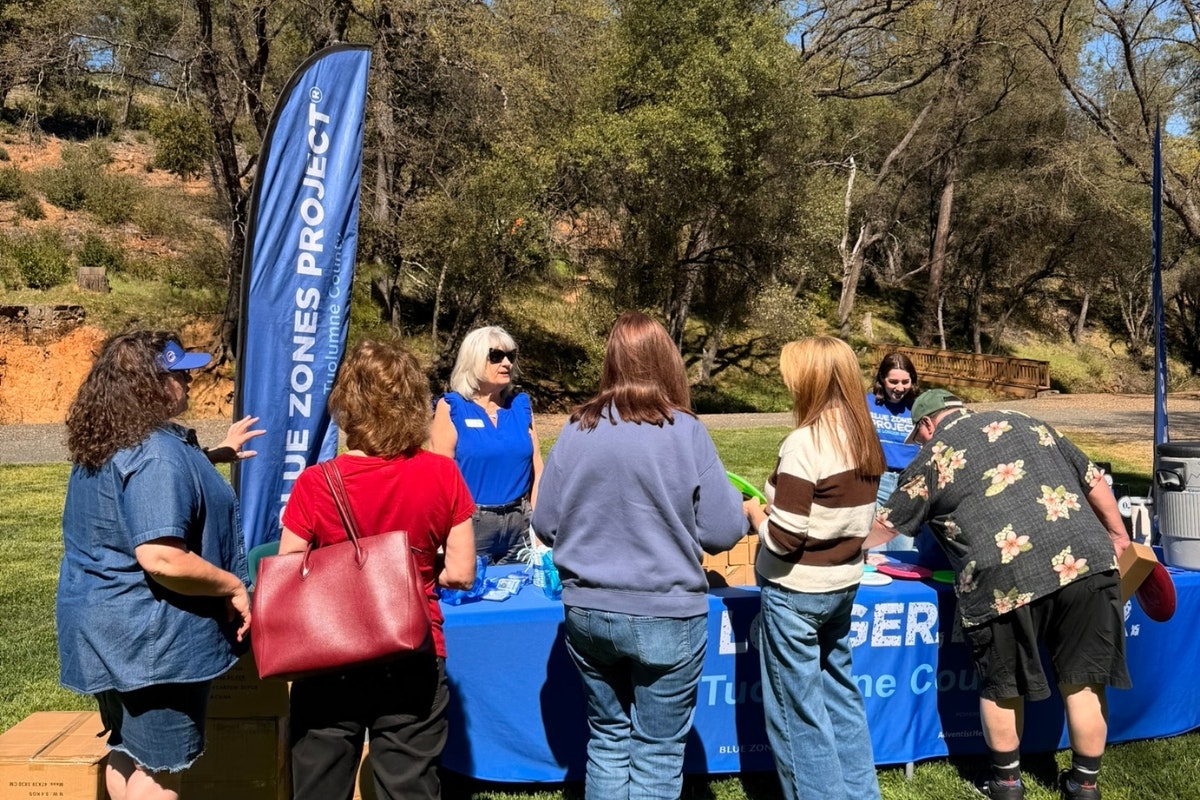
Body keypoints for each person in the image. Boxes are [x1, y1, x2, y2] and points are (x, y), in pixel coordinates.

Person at [866, 389, 1131, 800]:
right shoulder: (1027, 420)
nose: (921, 445)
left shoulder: (935, 454)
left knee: (1002, 685)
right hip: (1087, 561)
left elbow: (888, 524)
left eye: (919, 438)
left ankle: (1007, 784)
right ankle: (1084, 785)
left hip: (1004, 576)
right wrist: (1117, 534)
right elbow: (1094, 479)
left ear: (927, 424)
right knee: (1085, 682)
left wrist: (840, 549)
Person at [531, 310, 747, 800]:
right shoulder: (685, 431)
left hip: (589, 610)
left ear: (611, 362)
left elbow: (545, 524)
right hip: (667, 611)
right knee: (657, 751)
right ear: (667, 362)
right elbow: (724, 529)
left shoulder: (576, 428)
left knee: (607, 740)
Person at [56, 331, 252, 800]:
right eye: (177, 370)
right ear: (149, 384)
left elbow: (141, 492)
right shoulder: (157, 453)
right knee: (160, 774)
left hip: (107, 634)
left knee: (127, 749)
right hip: (153, 646)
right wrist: (231, 586)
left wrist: (210, 457)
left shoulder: (107, 442)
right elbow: (161, 558)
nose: (188, 377)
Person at [277, 339, 476, 800]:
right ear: (413, 403)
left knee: (319, 786)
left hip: (329, 655)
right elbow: (462, 573)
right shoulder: (443, 475)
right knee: (408, 787)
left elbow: (288, 569)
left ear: (347, 404)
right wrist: (423, 574)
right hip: (414, 647)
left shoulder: (316, 482)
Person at [743, 336, 884, 800]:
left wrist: (757, 515)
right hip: (842, 584)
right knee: (841, 697)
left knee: (797, 715)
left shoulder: (805, 442)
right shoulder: (862, 435)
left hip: (796, 591)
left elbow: (784, 540)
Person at [431, 325, 543, 563]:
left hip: (520, 524)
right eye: (496, 356)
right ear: (472, 360)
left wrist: (539, 526)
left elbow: (538, 469)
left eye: (510, 356)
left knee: (523, 597)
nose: (507, 364)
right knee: (469, 595)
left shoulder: (521, 406)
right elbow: (439, 478)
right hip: (471, 524)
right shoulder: (452, 408)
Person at [867, 352, 920, 552]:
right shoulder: (867, 404)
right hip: (876, 481)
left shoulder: (918, 407)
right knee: (873, 550)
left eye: (905, 382)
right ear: (882, 379)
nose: (899, 388)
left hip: (908, 484)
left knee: (903, 549)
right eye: (893, 381)